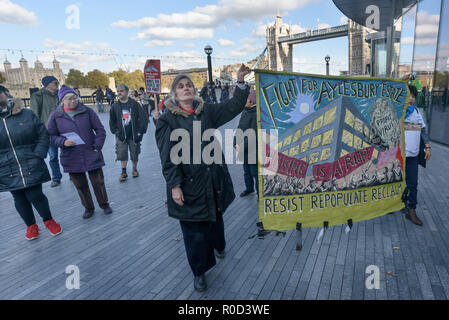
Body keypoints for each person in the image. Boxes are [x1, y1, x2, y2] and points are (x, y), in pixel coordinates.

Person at [155, 64, 250, 292]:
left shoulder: (205, 111)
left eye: (189, 85)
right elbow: (167, 158)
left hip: (212, 179)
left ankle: (219, 245)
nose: (186, 88)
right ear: (175, 94)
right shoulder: (167, 121)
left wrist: (239, 82)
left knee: (215, 217)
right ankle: (199, 271)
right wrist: (175, 186)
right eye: (181, 86)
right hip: (189, 183)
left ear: (194, 90)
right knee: (194, 232)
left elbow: (232, 106)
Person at [0, 85, 62, 240]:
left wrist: (38, 155)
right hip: (6, 166)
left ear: (5, 94)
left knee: (35, 194)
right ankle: (31, 226)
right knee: (19, 197)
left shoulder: (26, 114)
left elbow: (42, 134)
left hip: (30, 161)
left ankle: (49, 221)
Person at [47, 85, 112, 219]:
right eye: (69, 99)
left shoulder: (87, 111)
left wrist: (97, 146)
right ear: (62, 101)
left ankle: (104, 204)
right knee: (80, 185)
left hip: (91, 152)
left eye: (74, 98)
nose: (72, 101)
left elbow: (100, 130)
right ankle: (88, 208)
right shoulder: (55, 116)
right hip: (71, 156)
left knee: (98, 182)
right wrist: (63, 142)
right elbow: (50, 136)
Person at [403, 85, 431, 226]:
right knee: (397, 182)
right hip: (399, 157)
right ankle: (395, 205)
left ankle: (411, 211)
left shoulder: (417, 112)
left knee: (413, 184)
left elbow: (424, 131)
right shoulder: (399, 111)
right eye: (408, 95)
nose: (411, 99)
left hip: (413, 156)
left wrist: (427, 147)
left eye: (413, 96)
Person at [109, 84, 149, 182]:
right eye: (118, 91)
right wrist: (115, 131)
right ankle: (123, 172)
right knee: (121, 153)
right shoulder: (115, 106)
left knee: (134, 152)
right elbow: (112, 120)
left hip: (134, 134)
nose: (119, 93)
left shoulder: (134, 104)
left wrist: (141, 131)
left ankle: (134, 169)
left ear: (127, 92)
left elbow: (143, 118)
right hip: (121, 134)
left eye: (121, 91)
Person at [30, 75, 63, 187]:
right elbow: (35, 115)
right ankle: (56, 177)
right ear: (47, 84)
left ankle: (73, 173)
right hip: (48, 131)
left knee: (68, 153)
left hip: (63, 129)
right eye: (55, 83)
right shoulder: (37, 96)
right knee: (53, 156)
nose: (57, 84)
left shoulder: (60, 94)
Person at [234, 89, 258, 198]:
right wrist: (235, 142)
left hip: (251, 150)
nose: (244, 101)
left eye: (246, 99)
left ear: (251, 101)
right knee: (246, 171)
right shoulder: (245, 111)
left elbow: (253, 134)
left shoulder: (256, 114)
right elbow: (239, 128)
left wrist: (242, 147)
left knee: (255, 173)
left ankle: (259, 193)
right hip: (243, 149)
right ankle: (249, 188)